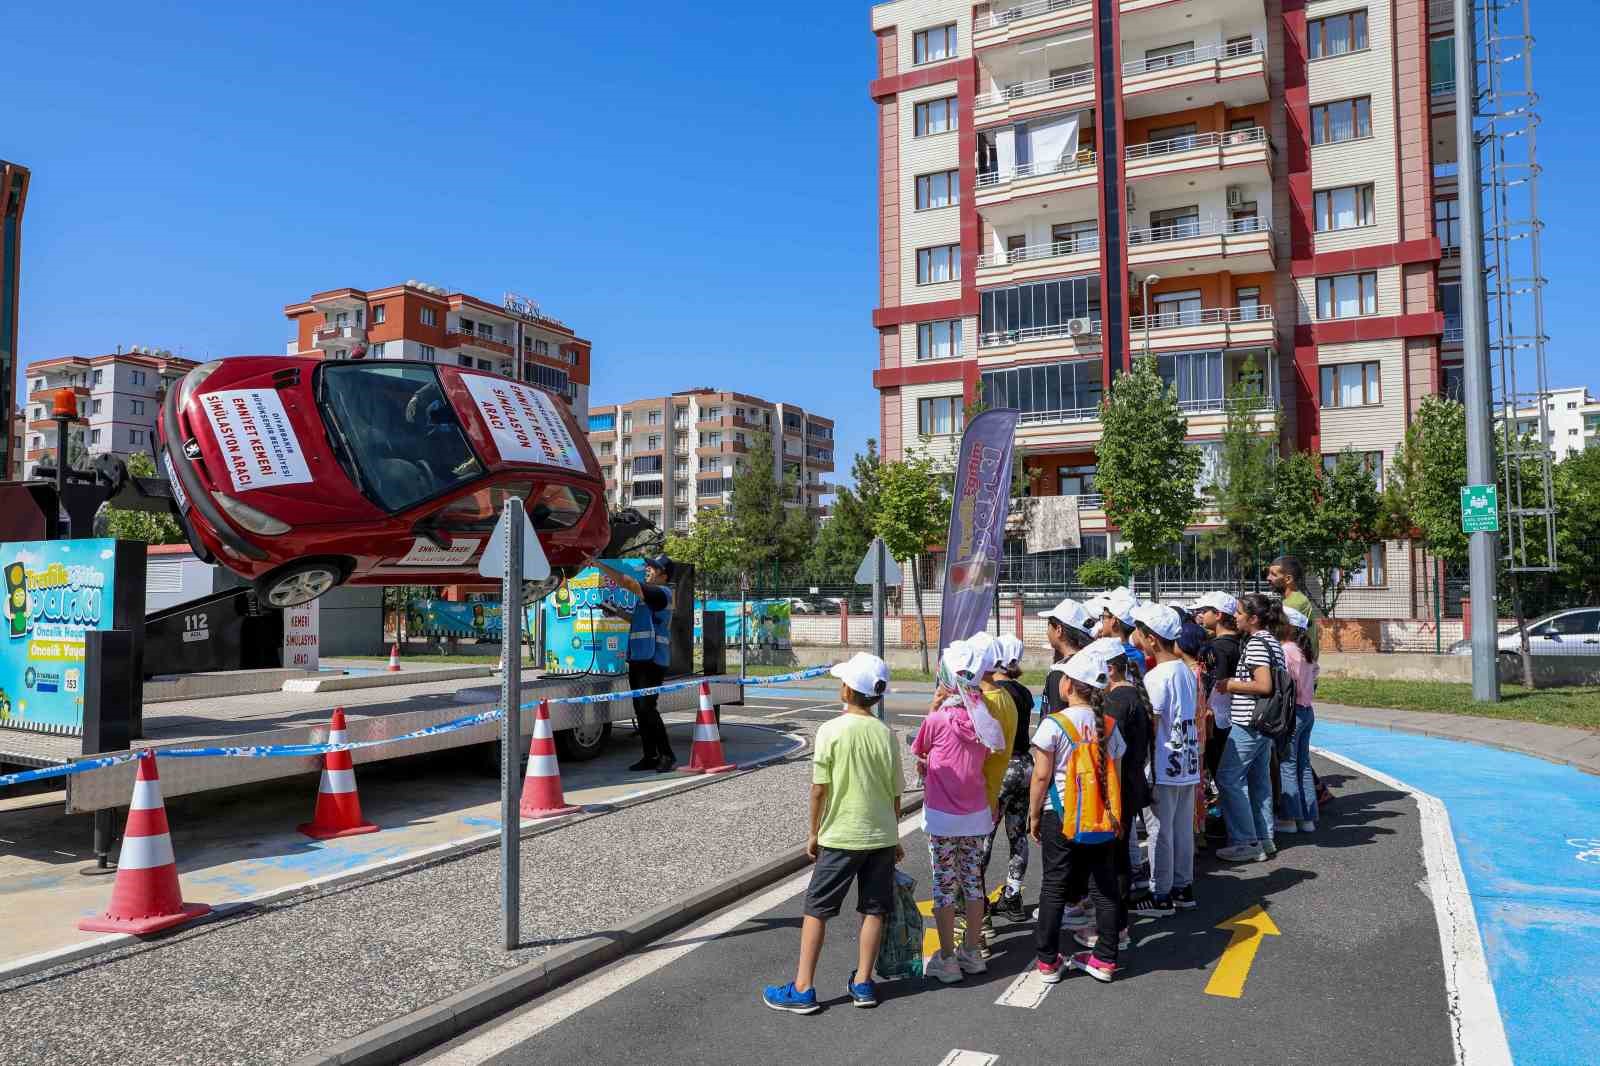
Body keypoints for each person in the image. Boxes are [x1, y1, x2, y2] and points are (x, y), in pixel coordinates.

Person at [762, 653, 902, 1014]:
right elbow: (894, 792)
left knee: (817, 909)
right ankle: (864, 983)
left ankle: (803, 987)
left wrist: (813, 832)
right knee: (873, 909)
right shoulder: (886, 734)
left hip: (840, 835)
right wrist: (894, 834)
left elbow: (818, 789)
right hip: (881, 835)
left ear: (847, 689)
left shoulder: (830, 731)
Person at [912, 640, 1008, 983]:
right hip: (975, 813)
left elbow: (919, 749)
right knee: (972, 881)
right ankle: (972, 951)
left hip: (941, 816)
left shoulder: (938, 720)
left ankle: (948, 958)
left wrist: (933, 706)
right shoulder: (984, 720)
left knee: (943, 883)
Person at [1029, 650, 1127, 984]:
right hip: (1100, 815)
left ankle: (1046, 962)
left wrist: (1033, 815)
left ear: (1069, 684)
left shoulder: (1054, 724)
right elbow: (1118, 774)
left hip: (1060, 814)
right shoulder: (1109, 725)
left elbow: (1041, 777)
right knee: (1104, 887)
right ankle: (1105, 959)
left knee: (1054, 886)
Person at [1129, 604, 1200, 916]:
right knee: (1182, 828)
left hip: (1162, 762)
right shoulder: (1185, 670)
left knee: (1160, 830)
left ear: (1152, 638)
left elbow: (1153, 721)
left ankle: (1160, 894)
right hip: (1186, 760)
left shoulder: (1157, 677)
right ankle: (1183, 887)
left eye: (1140, 631)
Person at [1078, 635, 1149, 936]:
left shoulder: (1118, 701)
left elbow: (1108, 749)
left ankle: (1114, 926)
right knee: (1117, 857)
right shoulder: (1132, 695)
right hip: (1130, 784)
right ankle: (1116, 921)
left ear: (1110, 668)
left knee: (1112, 861)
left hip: (1118, 788)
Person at [1212, 593, 1288, 863]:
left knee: (1228, 779)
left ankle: (1245, 841)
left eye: (1240, 613)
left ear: (1253, 618)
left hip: (1249, 721)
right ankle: (1264, 837)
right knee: (1259, 780)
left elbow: (1263, 685)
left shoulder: (1256, 643)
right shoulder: (1272, 642)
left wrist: (1230, 684)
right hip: (1265, 723)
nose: (1235, 616)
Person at [955, 632, 1017, 958]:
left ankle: (975, 936)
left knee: (964, 869)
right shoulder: (1005, 698)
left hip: (971, 797)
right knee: (973, 863)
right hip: (989, 792)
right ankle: (980, 926)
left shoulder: (985, 705)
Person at [594, 556, 678, 772]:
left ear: (664, 575)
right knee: (640, 710)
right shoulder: (649, 598)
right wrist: (616, 612)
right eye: (649, 566)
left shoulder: (662, 593)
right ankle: (650, 756)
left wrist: (600, 565)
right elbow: (637, 621)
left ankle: (667, 755)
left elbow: (628, 583)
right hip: (640, 658)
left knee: (647, 708)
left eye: (655, 568)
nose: (649, 569)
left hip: (652, 659)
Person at [988, 634, 1037, 923]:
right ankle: (1013, 895)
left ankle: (977, 904)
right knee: (1017, 834)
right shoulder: (1023, 692)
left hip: (1001, 768)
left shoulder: (992, 693)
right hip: (1024, 764)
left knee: (984, 836)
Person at [1276, 606, 1320, 835]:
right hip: (1307, 711)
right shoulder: (1306, 651)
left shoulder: (1286, 650)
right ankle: (1308, 817)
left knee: (1288, 765)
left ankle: (1290, 818)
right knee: (1303, 765)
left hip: (1292, 713)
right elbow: (1314, 677)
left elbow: (1284, 681)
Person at [1036, 598, 1097, 713]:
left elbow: (1056, 718)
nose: (1047, 631)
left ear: (1058, 630)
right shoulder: (1092, 663)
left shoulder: (1061, 672)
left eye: (1049, 625)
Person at [1267, 556, 1319, 662]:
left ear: (1288, 579)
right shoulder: (1292, 600)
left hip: (1296, 668)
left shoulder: (1294, 603)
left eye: (1273, 574)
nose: (1268, 578)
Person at [1086, 587, 1146, 678]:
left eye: (1104, 617)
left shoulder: (1100, 653)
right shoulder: (1139, 655)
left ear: (1113, 621)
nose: (1102, 622)